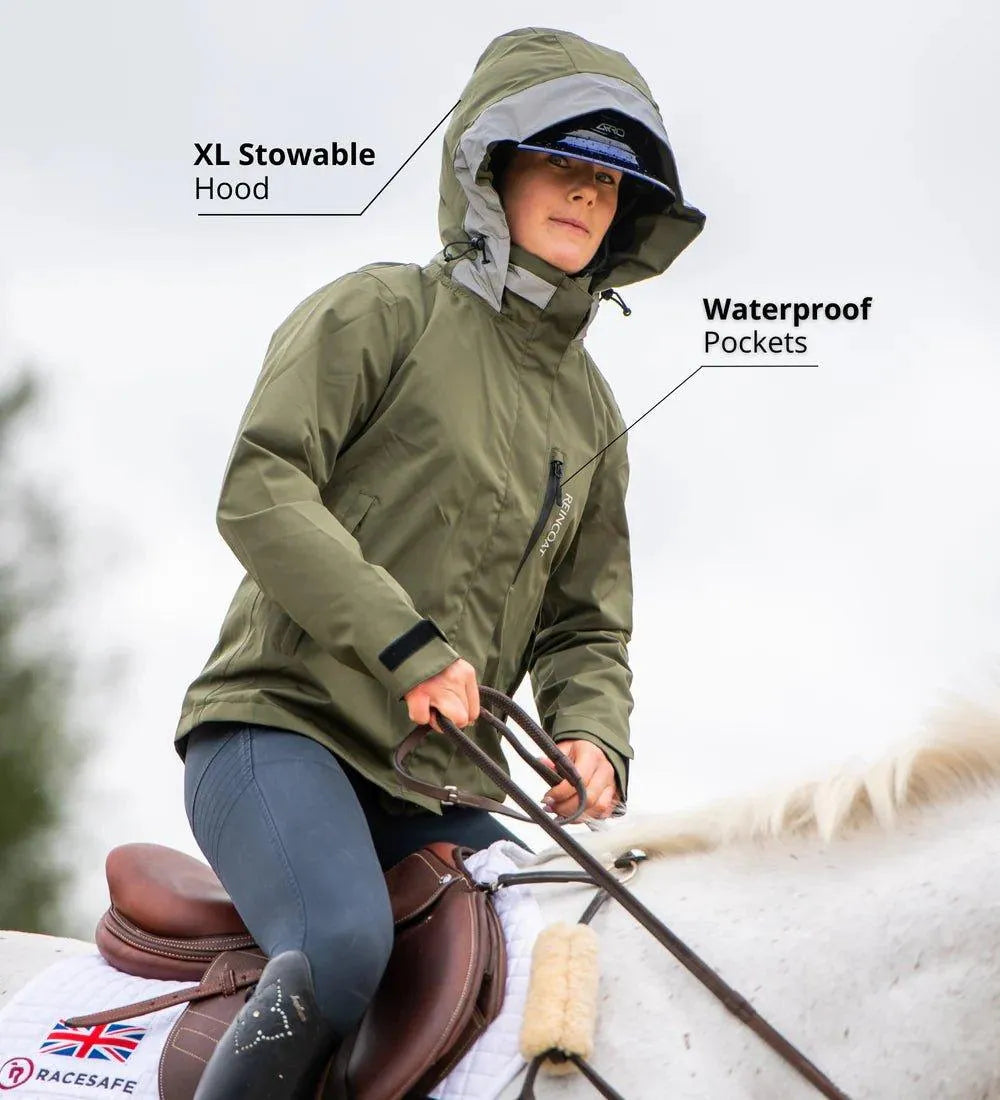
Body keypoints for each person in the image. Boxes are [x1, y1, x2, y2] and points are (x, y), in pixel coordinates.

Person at [177, 25, 705, 1099]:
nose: (587, 192)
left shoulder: (594, 412)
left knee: (571, 946)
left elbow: (585, 624)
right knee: (341, 948)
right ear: (488, 168)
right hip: (280, 730)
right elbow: (260, 487)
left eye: (611, 179)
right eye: (561, 160)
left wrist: (593, 735)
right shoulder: (380, 311)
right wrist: (407, 646)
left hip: (439, 782)